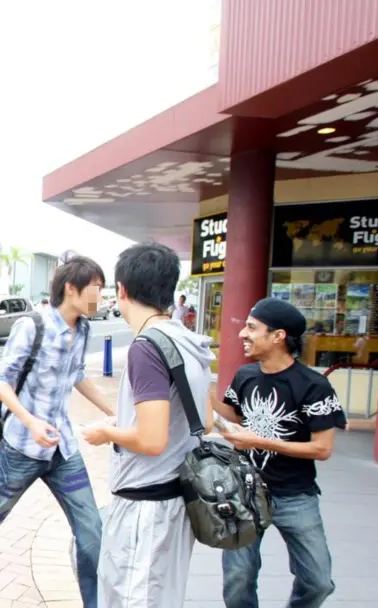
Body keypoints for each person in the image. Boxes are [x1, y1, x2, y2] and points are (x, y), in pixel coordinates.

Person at [0, 255, 113, 608]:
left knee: (91, 529)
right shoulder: (33, 325)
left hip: (62, 449)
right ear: (71, 288)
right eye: (96, 288)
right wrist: (30, 421)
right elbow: (2, 381)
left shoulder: (84, 329)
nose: (102, 296)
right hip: (21, 448)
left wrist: (112, 410)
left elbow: (77, 374)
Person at [80, 242, 215, 607]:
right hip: (175, 501)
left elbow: (152, 440)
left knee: (133, 598)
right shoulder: (189, 341)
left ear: (122, 290)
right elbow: (206, 420)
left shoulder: (146, 347)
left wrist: (107, 432)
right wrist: (126, 422)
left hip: (146, 507)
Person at [213, 297, 345, 608]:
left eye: (251, 328)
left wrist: (259, 441)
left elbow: (322, 448)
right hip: (244, 493)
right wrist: (192, 387)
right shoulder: (245, 376)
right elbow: (233, 414)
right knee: (238, 579)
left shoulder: (314, 385)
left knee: (318, 581)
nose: (242, 334)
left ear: (278, 336)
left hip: (295, 495)